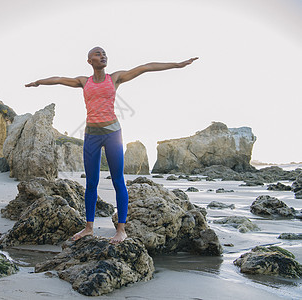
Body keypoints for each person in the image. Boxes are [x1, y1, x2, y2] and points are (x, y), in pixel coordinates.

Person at [26, 47, 198, 243]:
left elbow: (146, 67)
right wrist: (39, 82)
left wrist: (177, 64)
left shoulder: (115, 78)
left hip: (113, 134)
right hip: (91, 135)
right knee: (91, 183)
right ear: (89, 60)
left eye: (104, 53)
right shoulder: (84, 81)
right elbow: (58, 79)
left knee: (118, 181)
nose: (103, 56)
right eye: (98, 54)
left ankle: (121, 230)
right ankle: (88, 228)